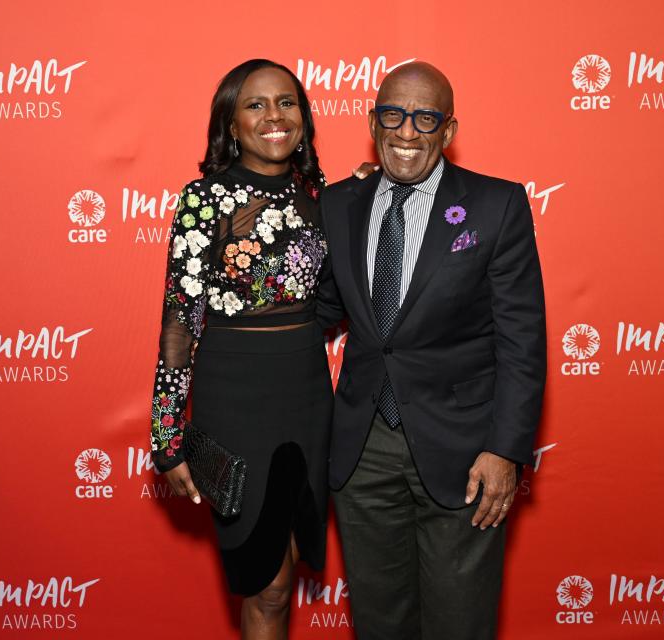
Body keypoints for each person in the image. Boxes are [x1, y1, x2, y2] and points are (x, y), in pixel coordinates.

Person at [316, 62, 547, 639]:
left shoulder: (497, 205)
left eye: (426, 118)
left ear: (448, 129)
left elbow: (522, 338)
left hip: (465, 450)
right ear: (373, 121)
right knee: (379, 621)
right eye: (393, 114)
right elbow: (315, 312)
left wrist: (505, 449)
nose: (407, 132)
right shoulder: (337, 202)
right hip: (362, 449)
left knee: (459, 622)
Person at [150, 59, 332, 639]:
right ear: (230, 124)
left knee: (290, 569)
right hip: (235, 402)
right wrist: (167, 437)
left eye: (286, 102)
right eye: (255, 105)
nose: (274, 116)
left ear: (303, 117)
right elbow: (181, 321)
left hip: (307, 398)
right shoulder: (203, 201)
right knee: (267, 584)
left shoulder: (325, 200)